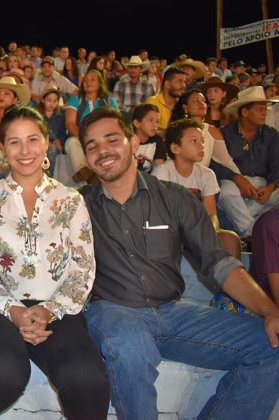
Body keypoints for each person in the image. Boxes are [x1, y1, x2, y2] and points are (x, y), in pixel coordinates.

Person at [78, 106, 279, 420]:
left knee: (271, 345)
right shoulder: (77, 205)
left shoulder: (175, 198)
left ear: (134, 143)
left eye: (112, 139)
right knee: (129, 343)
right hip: (113, 311)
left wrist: (269, 311)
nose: (102, 150)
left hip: (172, 312)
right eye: (92, 146)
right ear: (87, 158)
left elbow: (219, 262)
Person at [0, 106, 109, 419]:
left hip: (55, 309)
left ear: (47, 142)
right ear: (3, 147)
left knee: (86, 378)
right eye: (14, 142)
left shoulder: (70, 200)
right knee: (4, 372)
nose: (24, 150)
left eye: (32, 139)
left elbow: (82, 269)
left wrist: (48, 310)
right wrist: (14, 311)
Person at [153, 119, 241, 259]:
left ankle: (228, 273)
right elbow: (159, 214)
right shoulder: (162, 173)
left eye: (202, 141)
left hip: (197, 231)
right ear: (175, 148)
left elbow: (211, 214)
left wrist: (210, 231)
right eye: (194, 141)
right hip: (170, 230)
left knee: (230, 238)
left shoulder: (207, 174)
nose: (201, 146)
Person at [212, 86, 279, 238]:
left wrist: (270, 187)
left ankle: (247, 229)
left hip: (263, 184)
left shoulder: (271, 135)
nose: (264, 113)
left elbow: (277, 165)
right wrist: (237, 178)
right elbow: (214, 164)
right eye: (260, 109)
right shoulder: (225, 133)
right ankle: (255, 233)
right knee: (225, 192)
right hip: (234, 184)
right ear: (245, 112)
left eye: (265, 109)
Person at [64, 69, 119, 184]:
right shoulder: (76, 99)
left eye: (92, 80)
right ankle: (86, 174)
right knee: (71, 142)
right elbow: (70, 123)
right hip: (81, 138)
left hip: (105, 138)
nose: (88, 82)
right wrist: (85, 139)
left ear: (100, 83)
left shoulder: (109, 101)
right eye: (85, 80)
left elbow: (117, 123)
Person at [145, 66, 186, 135]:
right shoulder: (152, 102)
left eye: (184, 82)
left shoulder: (182, 105)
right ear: (167, 84)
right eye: (179, 81)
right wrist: (171, 134)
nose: (184, 86)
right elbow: (147, 128)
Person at [113, 55, 155, 120]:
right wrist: (129, 109)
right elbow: (115, 103)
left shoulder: (147, 85)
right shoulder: (121, 83)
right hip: (124, 115)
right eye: (130, 67)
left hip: (142, 116)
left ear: (140, 69)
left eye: (135, 67)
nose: (132, 70)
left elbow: (150, 104)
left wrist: (138, 111)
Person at [36, 86, 67, 174]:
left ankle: (49, 175)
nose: (52, 104)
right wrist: (50, 141)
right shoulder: (37, 114)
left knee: (53, 149)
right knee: (51, 148)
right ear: (43, 100)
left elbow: (63, 132)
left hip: (55, 145)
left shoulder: (61, 115)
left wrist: (60, 141)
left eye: (55, 101)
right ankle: (46, 174)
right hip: (40, 142)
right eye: (49, 100)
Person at [131, 103, 166, 174]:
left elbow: (159, 168)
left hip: (148, 179)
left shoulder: (157, 140)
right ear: (137, 123)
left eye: (157, 121)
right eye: (150, 120)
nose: (155, 125)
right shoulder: (128, 140)